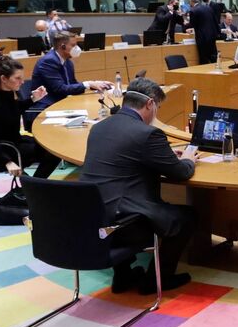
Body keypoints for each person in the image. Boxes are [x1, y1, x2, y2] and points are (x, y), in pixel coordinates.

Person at [79, 78, 198, 294]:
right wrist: (189, 158)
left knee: (113, 199)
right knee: (186, 217)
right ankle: (156, 280)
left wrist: (165, 156)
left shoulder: (99, 128)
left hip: (91, 218)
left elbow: (126, 156)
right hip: (125, 224)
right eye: (158, 108)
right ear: (150, 104)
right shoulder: (148, 134)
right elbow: (181, 172)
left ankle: (123, 276)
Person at [0, 56, 56, 178]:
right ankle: (35, 187)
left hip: (12, 142)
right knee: (52, 153)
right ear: (3, 79)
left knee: (50, 145)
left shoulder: (4, 94)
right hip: (0, 150)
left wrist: (34, 98)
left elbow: (14, 108)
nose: (22, 82)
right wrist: (7, 161)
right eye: (18, 78)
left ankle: (34, 186)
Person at [29, 32, 113, 126]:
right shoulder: (48, 61)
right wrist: (88, 84)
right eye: (73, 45)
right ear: (63, 46)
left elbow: (72, 84)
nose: (77, 48)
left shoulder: (68, 62)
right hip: (46, 107)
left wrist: (96, 84)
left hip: (62, 104)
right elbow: (60, 88)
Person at [188, 0, 218, 65]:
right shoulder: (208, 8)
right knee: (213, 58)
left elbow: (192, 25)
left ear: (191, 1)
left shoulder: (193, 10)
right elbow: (215, 21)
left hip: (202, 38)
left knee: (203, 59)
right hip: (212, 36)